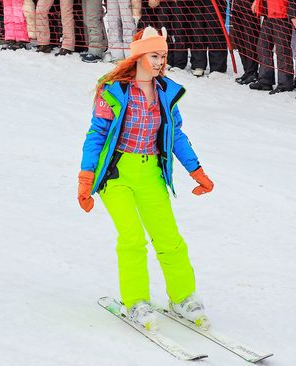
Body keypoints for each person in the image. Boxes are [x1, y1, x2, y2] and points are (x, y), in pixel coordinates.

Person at [78, 26, 214, 332]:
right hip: (117, 174)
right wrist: (86, 180)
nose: (159, 62)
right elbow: (96, 134)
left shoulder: (166, 91)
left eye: (163, 56)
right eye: (154, 55)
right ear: (138, 55)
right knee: (132, 238)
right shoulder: (113, 89)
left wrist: (197, 171)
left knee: (169, 238)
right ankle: (136, 300)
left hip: (151, 171)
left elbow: (175, 134)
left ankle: (183, 297)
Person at [250, 0, 295, 94]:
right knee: (262, 46)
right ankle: (265, 80)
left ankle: (285, 83)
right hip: (268, 12)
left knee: (282, 49)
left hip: (281, 12)